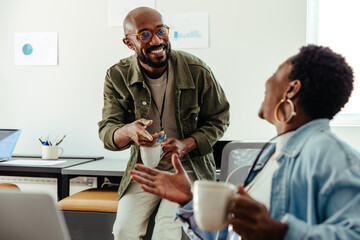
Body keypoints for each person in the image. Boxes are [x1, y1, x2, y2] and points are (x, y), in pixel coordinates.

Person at [130, 45, 360, 240]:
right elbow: (235, 234)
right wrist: (191, 200)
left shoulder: (331, 154)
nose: (267, 82)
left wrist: (279, 232)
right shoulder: (273, 153)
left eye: (275, 73)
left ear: (291, 89)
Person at [98, 6, 230, 240]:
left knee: (166, 231)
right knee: (123, 230)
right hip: (145, 167)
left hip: (188, 166)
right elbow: (108, 131)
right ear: (129, 43)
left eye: (161, 30)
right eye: (144, 35)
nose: (157, 40)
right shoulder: (117, 75)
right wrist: (128, 131)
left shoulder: (196, 69)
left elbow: (219, 118)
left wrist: (186, 144)